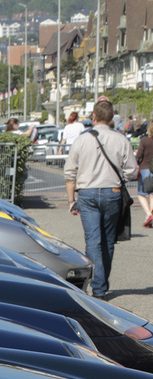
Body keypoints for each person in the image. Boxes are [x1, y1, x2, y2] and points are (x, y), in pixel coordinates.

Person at [64, 98, 138, 298]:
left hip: (87, 193)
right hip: (112, 192)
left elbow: (70, 173)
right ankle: (102, 284)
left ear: (93, 117)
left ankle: (98, 287)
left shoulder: (82, 139)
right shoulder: (121, 139)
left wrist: (71, 200)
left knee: (93, 240)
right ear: (112, 117)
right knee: (108, 241)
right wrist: (117, 176)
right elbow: (132, 171)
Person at [135, 120, 153, 228]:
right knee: (152, 194)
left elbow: (139, 155)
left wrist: (137, 154)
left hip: (145, 168)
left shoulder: (144, 140)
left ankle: (148, 214)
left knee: (141, 194)